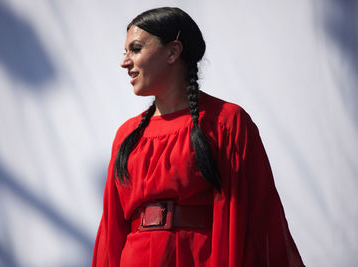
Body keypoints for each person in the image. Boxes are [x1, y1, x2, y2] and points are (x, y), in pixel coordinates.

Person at [92, 7, 304, 267]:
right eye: (124, 52)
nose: (125, 62)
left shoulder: (226, 122)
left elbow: (262, 215)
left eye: (135, 49)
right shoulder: (127, 135)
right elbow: (111, 229)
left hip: (200, 258)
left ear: (173, 51)